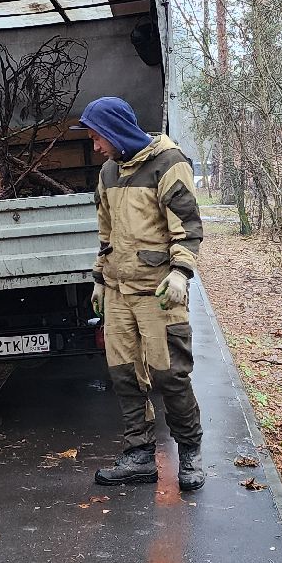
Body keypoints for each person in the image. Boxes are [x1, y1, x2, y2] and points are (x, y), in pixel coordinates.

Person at [78, 96, 208, 492]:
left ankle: (189, 451)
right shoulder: (108, 173)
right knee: (123, 375)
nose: (95, 146)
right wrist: (100, 278)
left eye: (98, 137)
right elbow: (106, 233)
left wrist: (182, 273)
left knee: (170, 375)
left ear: (116, 131)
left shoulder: (168, 164)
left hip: (157, 292)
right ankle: (138, 456)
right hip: (118, 291)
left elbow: (188, 226)